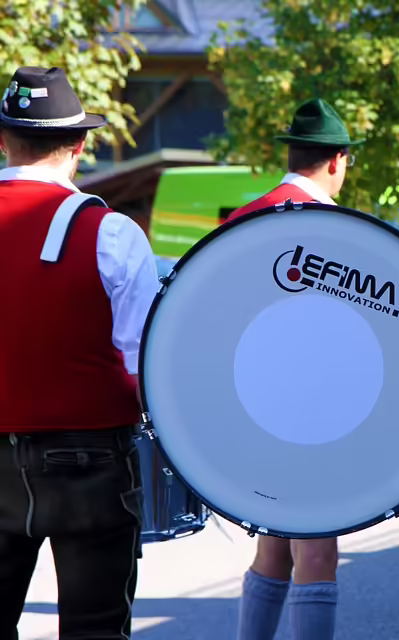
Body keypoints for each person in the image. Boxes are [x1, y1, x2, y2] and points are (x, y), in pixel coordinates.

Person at [0, 66, 159, 638]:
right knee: (95, 630)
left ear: (3, 140)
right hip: (90, 461)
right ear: (80, 145)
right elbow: (149, 366)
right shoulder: (113, 233)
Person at [228, 97, 362, 640]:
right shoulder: (335, 228)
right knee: (317, 553)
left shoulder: (243, 218)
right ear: (337, 160)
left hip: (253, 409)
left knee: (274, 546)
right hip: (312, 412)